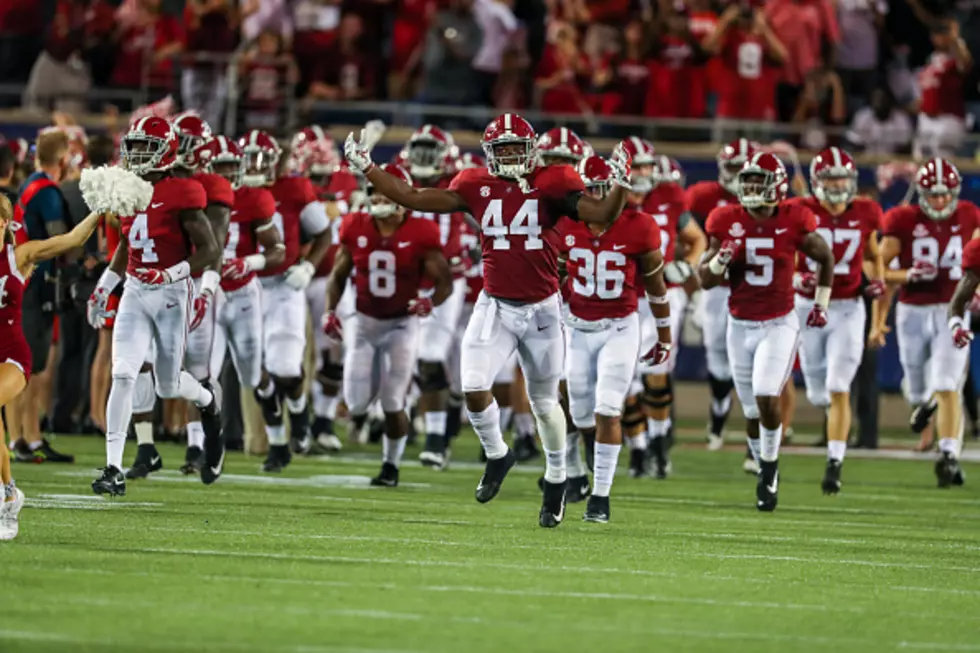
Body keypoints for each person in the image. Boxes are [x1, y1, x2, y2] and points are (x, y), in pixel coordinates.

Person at [344, 113, 632, 528]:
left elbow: (601, 214)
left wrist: (620, 185)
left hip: (543, 310)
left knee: (545, 404)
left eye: (518, 147)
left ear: (532, 147)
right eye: (504, 149)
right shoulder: (475, 184)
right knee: (474, 385)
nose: (512, 155)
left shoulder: (554, 181)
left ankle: (556, 477)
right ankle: (498, 454)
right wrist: (368, 167)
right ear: (490, 154)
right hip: (495, 304)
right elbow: (413, 196)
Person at [87, 116, 223, 496]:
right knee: (124, 374)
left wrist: (171, 274)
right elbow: (127, 245)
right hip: (134, 290)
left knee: (166, 385)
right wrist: (104, 286)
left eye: (147, 146)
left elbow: (210, 249)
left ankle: (209, 401)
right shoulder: (128, 188)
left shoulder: (183, 190)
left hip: (171, 294)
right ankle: (113, 467)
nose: (137, 154)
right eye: (134, 146)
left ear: (167, 151)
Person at [699, 151, 834, 511]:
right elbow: (705, 279)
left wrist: (821, 302)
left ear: (776, 185)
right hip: (739, 324)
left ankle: (769, 467)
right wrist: (721, 259)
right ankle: (763, 462)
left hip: (778, 322)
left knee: (765, 394)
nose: (752, 187)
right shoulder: (726, 218)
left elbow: (824, 257)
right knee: (751, 411)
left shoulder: (794, 218)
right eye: (748, 181)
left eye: (759, 180)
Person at [323, 163, 453, 486]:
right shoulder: (355, 226)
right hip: (364, 322)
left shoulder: (422, 232)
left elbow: (446, 283)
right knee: (355, 403)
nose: (377, 197)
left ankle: (390, 466)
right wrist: (330, 312)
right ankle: (361, 422)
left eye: (385, 191)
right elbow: (338, 274)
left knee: (394, 401)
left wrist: (429, 301)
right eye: (373, 191)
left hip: (401, 324)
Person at [557, 155, 671, 523]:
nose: (597, 197)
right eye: (590, 190)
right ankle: (590, 460)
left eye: (604, 189)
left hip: (619, 327)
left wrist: (664, 335)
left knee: (608, 407)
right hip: (576, 326)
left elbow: (656, 287)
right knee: (577, 412)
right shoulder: (563, 223)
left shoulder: (640, 226)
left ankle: (601, 497)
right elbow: (552, 274)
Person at [0, 194, 103, 539]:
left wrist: (101, 211)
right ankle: (9, 492)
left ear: (4, 224)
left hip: (12, 355)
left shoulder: (20, 256)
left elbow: (71, 240)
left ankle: (6, 497)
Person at [787, 147, 885, 494]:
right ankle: (834, 430)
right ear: (817, 182)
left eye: (842, 177)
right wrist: (796, 279)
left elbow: (873, 254)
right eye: (830, 178)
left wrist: (877, 277)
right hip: (808, 306)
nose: (838, 184)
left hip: (847, 307)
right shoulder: (801, 210)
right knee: (817, 392)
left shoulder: (866, 210)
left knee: (839, 385)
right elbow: (784, 253)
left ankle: (835, 461)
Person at [878, 157, 978, 487]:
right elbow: (877, 268)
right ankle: (927, 405)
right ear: (920, 192)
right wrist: (905, 274)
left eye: (945, 194)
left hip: (952, 308)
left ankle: (949, 454)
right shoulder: (902, 218)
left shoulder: (969, 215)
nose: (939, 201)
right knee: (918, 389)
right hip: (913, 311)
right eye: (933, 194)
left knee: (949, 384)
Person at [244, 130, 331, 472]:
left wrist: (309, 266)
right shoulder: (234, 189)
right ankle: (278, 443)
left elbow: (324, 232)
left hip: (284, 285)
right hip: (246, 286)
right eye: (251, 157)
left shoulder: (295, 189)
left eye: (264, 158)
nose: (256, 165)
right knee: (257, 373)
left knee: (285, 369)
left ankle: (300, 414)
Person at [623, 136, 706, 479]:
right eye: (636, 165)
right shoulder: (607, 200)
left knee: (654, 374)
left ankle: (658, 445)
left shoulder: (669, 196)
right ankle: (639, 448)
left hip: (662, 296)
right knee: (625, 383)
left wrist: (687, 266)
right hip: (622, 298)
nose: (643, 172)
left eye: (646, 165)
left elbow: (697, 239)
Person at [164, 113, 232, 478]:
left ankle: (202, 444)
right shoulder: (160, 181)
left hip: (197, 282)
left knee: (199, 372)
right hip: (160, 285)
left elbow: (214, 246)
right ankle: (141, 447)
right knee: (145, 367)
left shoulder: (215, 185)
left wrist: (206, 289)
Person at [400, 126, 468, 469]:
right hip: (406, 282)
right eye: (420, 150)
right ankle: (407, 425)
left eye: (431, 150)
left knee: (430, 355)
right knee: (406, 359)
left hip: (444, 282)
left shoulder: (460, 186)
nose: (424, 158)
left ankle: (437, 439)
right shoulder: (398, 181)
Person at [687, 138, 757, 455]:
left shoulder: (765, 201)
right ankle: (718, 411)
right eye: (732, 166)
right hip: (716, 289)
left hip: (755, 289)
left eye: (742, 167)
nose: (737, 173)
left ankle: (755, 430)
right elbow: (686, 235)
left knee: (755, 360)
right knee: (717, 356)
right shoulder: (704, 197)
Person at [10, 129, 75, 464]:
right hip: (35, 284)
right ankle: (29, 438)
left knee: (22, 363)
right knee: (31, 365)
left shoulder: (28, 184)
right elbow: (58, 239)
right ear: (63, 159)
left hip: (21, 281)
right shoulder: (47, 192)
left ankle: (21, 435)